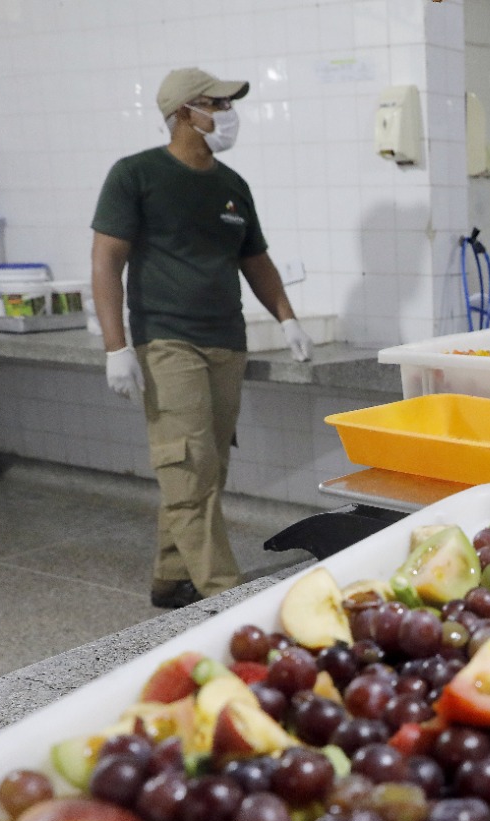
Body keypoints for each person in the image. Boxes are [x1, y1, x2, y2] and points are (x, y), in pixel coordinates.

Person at [91, 67, 314, 609]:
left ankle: (171, 575)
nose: (229, 113)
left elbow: (254, 261)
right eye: (218, 103)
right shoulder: (136, 174)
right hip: (168, 341)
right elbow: (106, 261)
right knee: (188, 467)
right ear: (184, 112)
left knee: (206, 464)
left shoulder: (231, 185)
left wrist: (287, 317)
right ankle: (224, 595)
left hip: (226, 343)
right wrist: (116, 347)